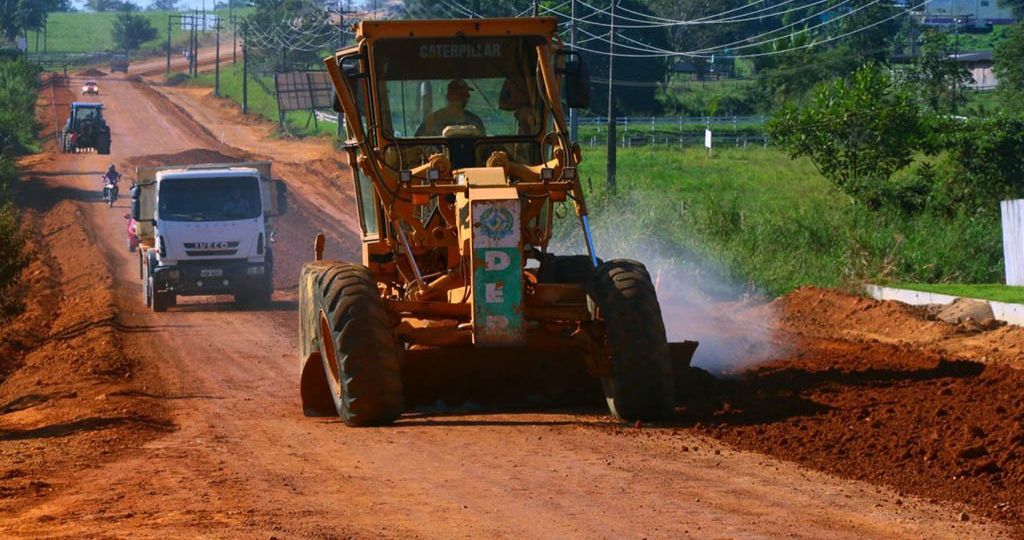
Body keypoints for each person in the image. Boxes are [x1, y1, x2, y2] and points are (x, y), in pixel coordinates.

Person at [415, 79, 486, 137]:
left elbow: (484, 147)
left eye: (467, 95)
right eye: (461, 95)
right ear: (449, 96)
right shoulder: (432, 121)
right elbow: (416, 147)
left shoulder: (474, 121)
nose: (465, 98)